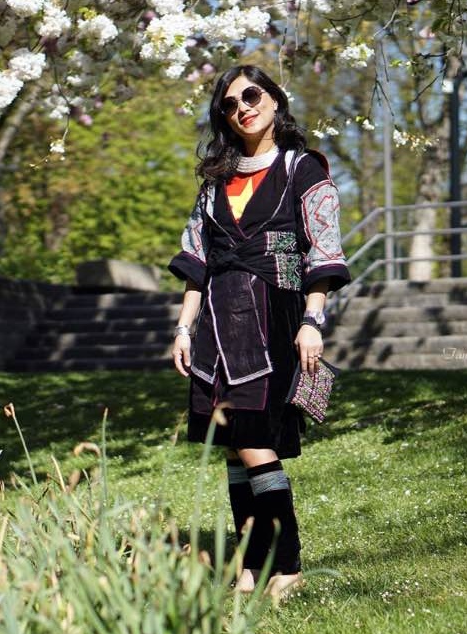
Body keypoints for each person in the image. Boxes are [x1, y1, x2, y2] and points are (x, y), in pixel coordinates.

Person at [168, 65, 350, 597]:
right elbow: (197, 261)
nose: (241, 108)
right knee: (230, 445)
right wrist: (183, 328)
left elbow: (323, 251)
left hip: (273, 317)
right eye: (229, 104)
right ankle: (252, 564)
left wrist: (313, 320)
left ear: (274, 99)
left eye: (251, 96)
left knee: (253, 440)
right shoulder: (215, 182)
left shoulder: (303, 168)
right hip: (215, 324)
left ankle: (287, 564)